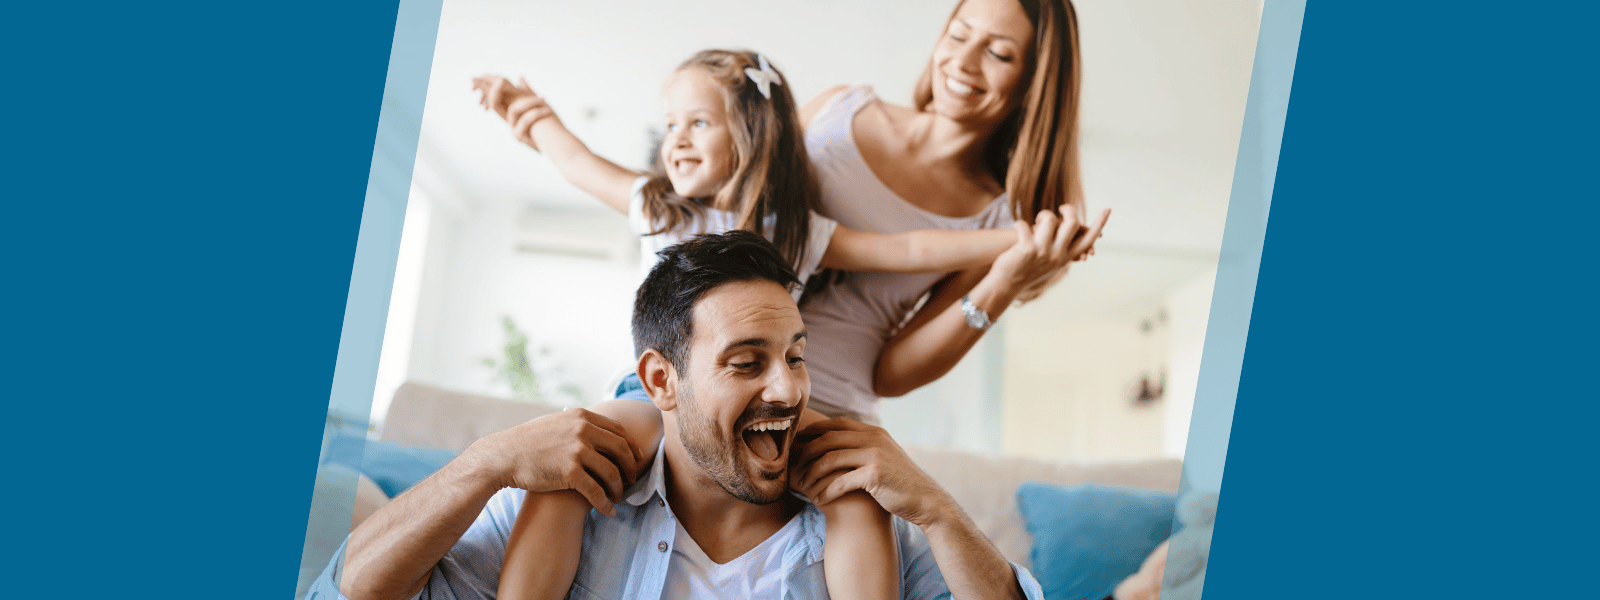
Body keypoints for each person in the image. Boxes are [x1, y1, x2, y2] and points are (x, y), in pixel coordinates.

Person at [471, 49, 1087, 600]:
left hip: (761, 407)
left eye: (698, 123)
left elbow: (909, 251)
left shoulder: (797, 231)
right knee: (568, 471)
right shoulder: (656, 204)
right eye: (671, 125)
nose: (676, 140)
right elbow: (576, 162)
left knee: (854, 490)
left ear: (750, 134)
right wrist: (532, 115)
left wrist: (1021, 241)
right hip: (648, 400)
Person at [309, 231, 1047, 600]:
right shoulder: (571, 501)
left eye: (795, 355)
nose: (789, 390)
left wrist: (943, 514)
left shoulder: (867, 521)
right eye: (746, 361)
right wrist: (480, 465)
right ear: (661, 379)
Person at [796, 0, 1109, 419]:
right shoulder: (835, 109)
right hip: (714, 374)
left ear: (1034, 83)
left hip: (825, 409)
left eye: (998, 53)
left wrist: (1003, 282)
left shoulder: (996, 219)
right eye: (958, 35)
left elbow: (890, 376)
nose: (962, 61)